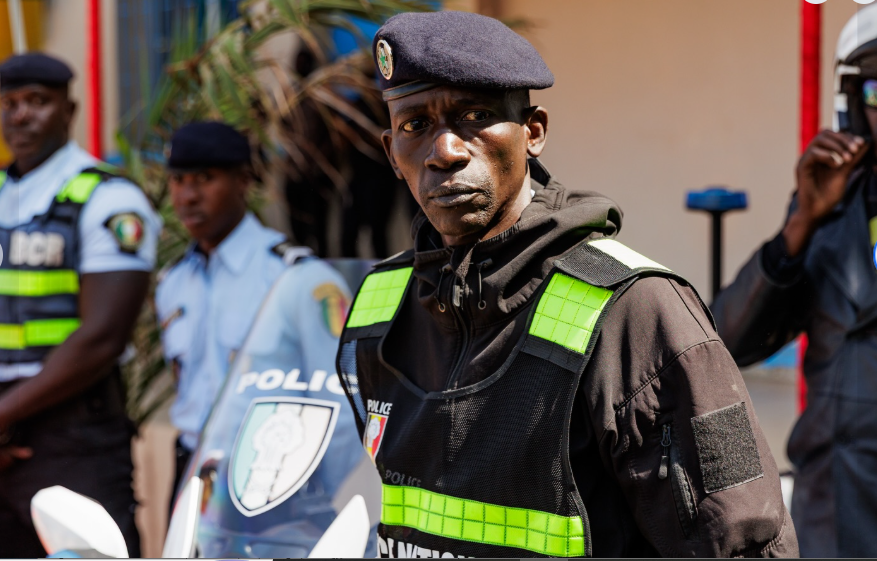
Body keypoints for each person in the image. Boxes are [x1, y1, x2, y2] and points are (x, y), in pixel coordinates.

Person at [335, 11, 798, 558]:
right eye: (416, 126)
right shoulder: (380, 306)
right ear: (391, 152)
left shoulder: (636, 309)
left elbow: (739, 543)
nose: (445, 152)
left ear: (533, 132)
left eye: (476, 116)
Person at [711, 6, 877, 557]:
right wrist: (801, 224)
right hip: (835, 510)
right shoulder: (829, 207)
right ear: (853, 101)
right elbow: (727, 342)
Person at [0, 52, 160, 557]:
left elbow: (102, 338)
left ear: (69, 111)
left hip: (71, 433)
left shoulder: (109, 199)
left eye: (37, 101)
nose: (20, 115)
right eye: (9, 103)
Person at [156, 121, 333, 512]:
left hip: (272, 477)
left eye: (205, 179)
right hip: (190, 472)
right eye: (178, 180)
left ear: (243, 181)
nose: (187, 196)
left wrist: (321, 495)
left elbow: (338, 402)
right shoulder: (173, 282)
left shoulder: (294, 276)